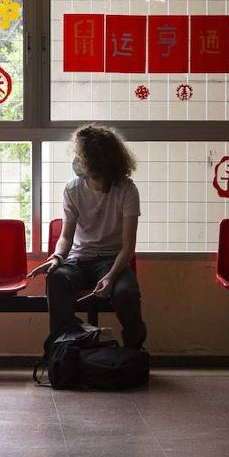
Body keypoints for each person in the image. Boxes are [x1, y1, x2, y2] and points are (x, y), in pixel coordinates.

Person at [30, 123, 146, 351]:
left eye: (80, 154)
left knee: (126, 294)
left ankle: (134, 351)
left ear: (96, 160)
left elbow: (128, 246)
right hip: (78, 261)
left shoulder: (126, 190)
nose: (76, 159)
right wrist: (56, 257)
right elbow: (66, 236)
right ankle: (64, 346)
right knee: (56, 278)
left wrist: (111, 277)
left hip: (112, 261)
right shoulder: (72, 189)